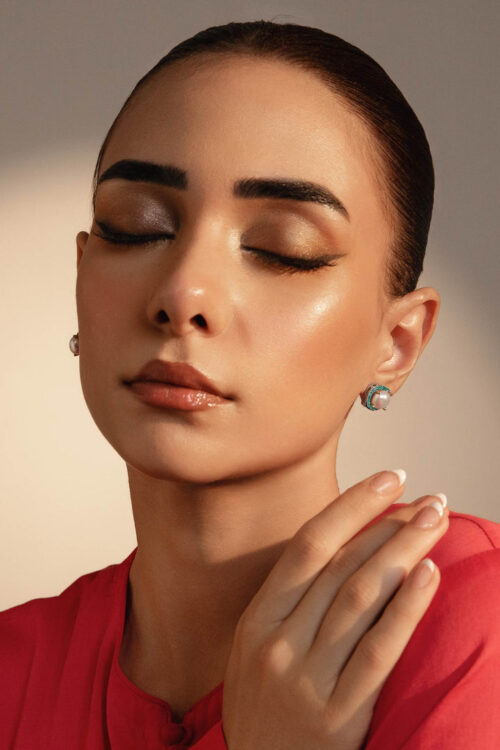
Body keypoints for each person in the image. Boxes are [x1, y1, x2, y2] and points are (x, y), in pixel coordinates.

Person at [1, 19, 499, 750]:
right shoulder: (13, 670)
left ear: (396, 342)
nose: (183, 293)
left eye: (282, 249)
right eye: (136, 227)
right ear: (81, 275)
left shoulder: (465, 617)